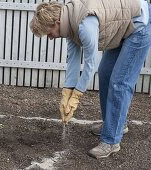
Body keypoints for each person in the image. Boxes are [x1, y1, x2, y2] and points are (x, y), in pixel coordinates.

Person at [30, 0, 151, 159]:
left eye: (48, 33)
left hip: (139, 24)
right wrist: (67, 92)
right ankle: (115, 125)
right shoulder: (69, 25)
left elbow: (90, 63)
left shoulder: (84, 25)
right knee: (105, 72)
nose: (50, 38)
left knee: (119, 83)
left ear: (57, 23)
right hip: (122, 26)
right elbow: (73, 60)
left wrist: (77, 96)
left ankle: (111, 140)